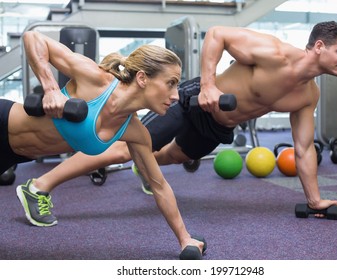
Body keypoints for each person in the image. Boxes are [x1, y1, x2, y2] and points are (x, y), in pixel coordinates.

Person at [18, 21, 337, 225]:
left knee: (175, 157)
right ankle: (39, 187)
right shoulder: (273, 53)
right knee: (124, 148)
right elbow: (218, 34)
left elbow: (303, 148)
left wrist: (314, 200)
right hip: (193, 101)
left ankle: (144, 168)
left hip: (219, 127)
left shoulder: (308, 95)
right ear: (320, 46)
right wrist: (209, 84)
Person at [2, 30, 205, 259]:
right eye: (170, 83)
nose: (176, 95)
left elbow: (159, 185)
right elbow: (33, 38)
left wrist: (184, 238)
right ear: (142, 78)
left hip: (13, 156)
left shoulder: (135, 132)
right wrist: (50, 89)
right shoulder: (95, 79)